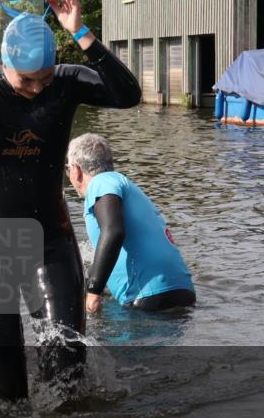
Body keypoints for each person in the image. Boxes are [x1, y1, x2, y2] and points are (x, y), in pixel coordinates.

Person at [0, 0, 141, 400]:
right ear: (6, 63)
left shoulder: (67, 82)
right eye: (27, 79)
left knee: (67, 371)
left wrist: (80, 32)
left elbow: (127, 94)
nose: (39, 88)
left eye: (45, 77)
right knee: (10, 385)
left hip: (49, 239)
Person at [65, 133, 195, 314]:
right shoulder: (122, 184)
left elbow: (113, 232)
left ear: (76, 169)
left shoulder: (101, 182)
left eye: (67, 168)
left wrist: (94, 291)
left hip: (148, 297)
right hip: (183, 290)